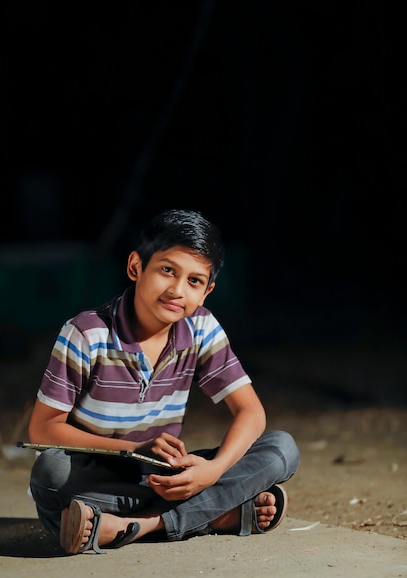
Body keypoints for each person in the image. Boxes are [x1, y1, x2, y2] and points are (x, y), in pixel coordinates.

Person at [28, 208, 300, 555]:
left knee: (282, 448)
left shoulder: (200, 328)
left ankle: (132, 525)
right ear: (136, 267)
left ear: (207, 292)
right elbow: (43, 429)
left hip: (163, 477)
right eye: (167, 270)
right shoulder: (86, 332)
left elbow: (251, 412)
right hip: (96, 475)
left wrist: (212, 471)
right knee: (49, 473)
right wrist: (133, 450)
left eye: (194, 281)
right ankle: (216, 513)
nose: (177, 290)